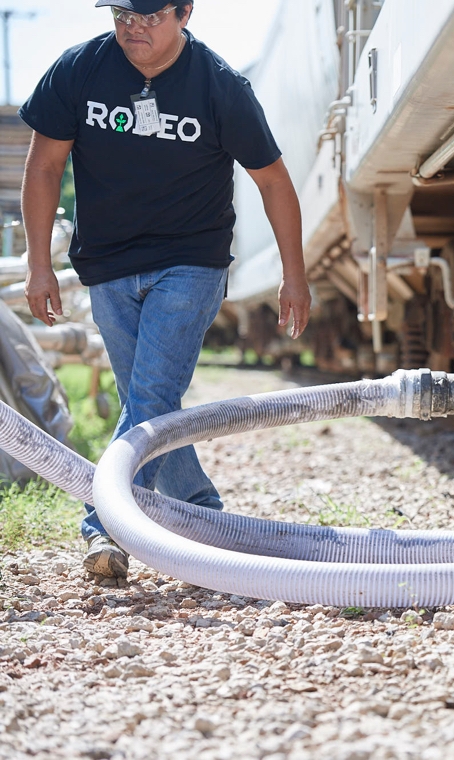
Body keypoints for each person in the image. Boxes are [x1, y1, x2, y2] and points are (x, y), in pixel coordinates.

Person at [19, 0, 310, 578]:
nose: (133, 27)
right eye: (122, 14)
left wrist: (294, 273)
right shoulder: (79, 70)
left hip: (191, 262)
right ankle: (202, 511)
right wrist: (37, 263)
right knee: (150, 404)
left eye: (149, 16)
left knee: (150, 397)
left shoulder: (219, 85)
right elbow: (45, 166)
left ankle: (106, 526)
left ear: (184, 13)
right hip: (106, 265)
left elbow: (272, 179)